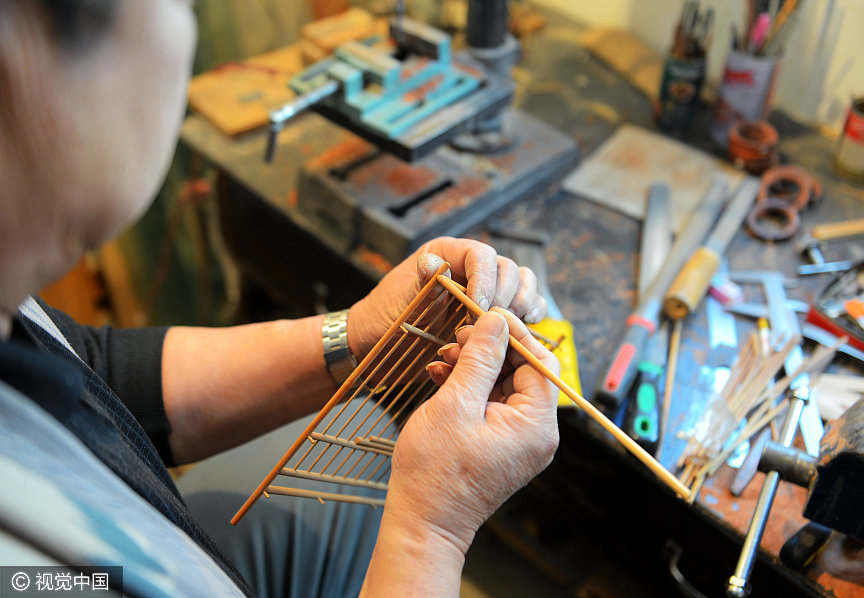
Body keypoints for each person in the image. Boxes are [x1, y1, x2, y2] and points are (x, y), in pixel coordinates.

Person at [0, 2, 561, 597]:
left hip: (142, 533)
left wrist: (357, 331)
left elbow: (93, 373)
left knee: (368, 425)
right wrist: (432, 532)